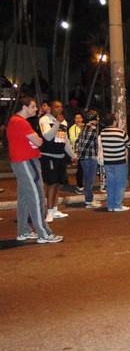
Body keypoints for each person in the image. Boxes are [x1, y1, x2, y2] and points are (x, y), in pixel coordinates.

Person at [7, 96, 63, 243]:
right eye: (32, 106)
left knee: (24, 198)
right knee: (36, 197)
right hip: (26, 161)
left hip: (21, 161)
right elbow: (38, 141)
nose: (36, 109)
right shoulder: (20, 122)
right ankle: (44, 234)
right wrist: (36, 138)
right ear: (24, 107)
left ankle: (23, 231)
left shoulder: (16, 121)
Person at [39, 100, 76, 222]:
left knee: (58, 183)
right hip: (48, 156)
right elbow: (48, 136)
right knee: (51, 183)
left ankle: (55, 209)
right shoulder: (44, 120)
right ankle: (49, 212)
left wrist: (73, 155)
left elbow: (63, 140)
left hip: (60, 156)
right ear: (50, 108)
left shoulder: (63, 122)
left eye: (61, 107)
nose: (60, 109)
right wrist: (57, 123)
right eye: (57, 107)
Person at [100, 113, 130, 211]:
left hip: (108, 162)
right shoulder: (121, 132)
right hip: (119, 161)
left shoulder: (102, 133)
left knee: (110, 184)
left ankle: (110, 205)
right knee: (120, 184)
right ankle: (118, 205)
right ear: (114, 122)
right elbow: (129, 144)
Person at [76, 110, 101, 208]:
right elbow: (87, 142)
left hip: (84, 157)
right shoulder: (92, 128)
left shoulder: (84, 126)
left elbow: (79, 141)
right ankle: (89, 200)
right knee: (90, 180)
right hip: (89, 156)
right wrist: (80, 154)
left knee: (87, 178)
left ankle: (89, 198)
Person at [68, 111, 85, 193]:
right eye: (76, 118)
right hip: (77, 151)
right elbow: (73, 139)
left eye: (80, 117)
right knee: (80, 168)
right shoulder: (72, 128)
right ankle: (79, 185)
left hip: (86, 151)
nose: (78, 119)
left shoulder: (86, 127)